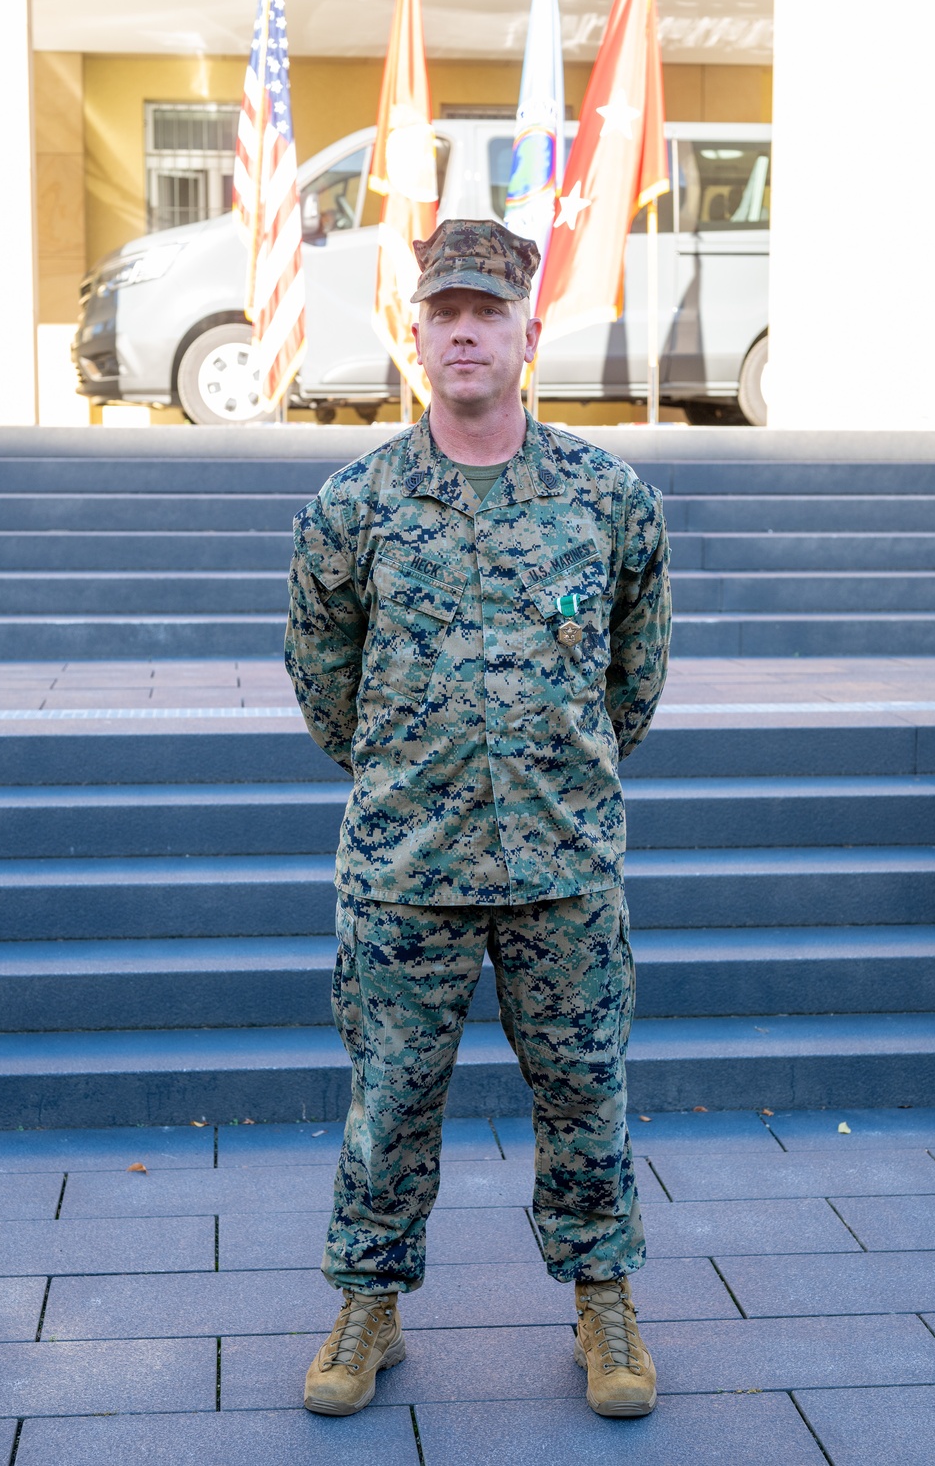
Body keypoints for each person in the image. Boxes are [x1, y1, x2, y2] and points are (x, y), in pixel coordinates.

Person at [284, 218, 671, 1420]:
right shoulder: (356, 507)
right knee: (389, 1100)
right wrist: (416, 772)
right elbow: (322, 678)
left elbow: (633, 680)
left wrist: (554, 775)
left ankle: (604, 1305)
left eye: (487, 313)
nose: (465, 330)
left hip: (563, 867)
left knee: (585, 1094)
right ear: (416, 336)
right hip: (407, 871)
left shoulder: (607, 502)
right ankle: (368, 1307)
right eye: (445, 312)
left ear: (526, 335)